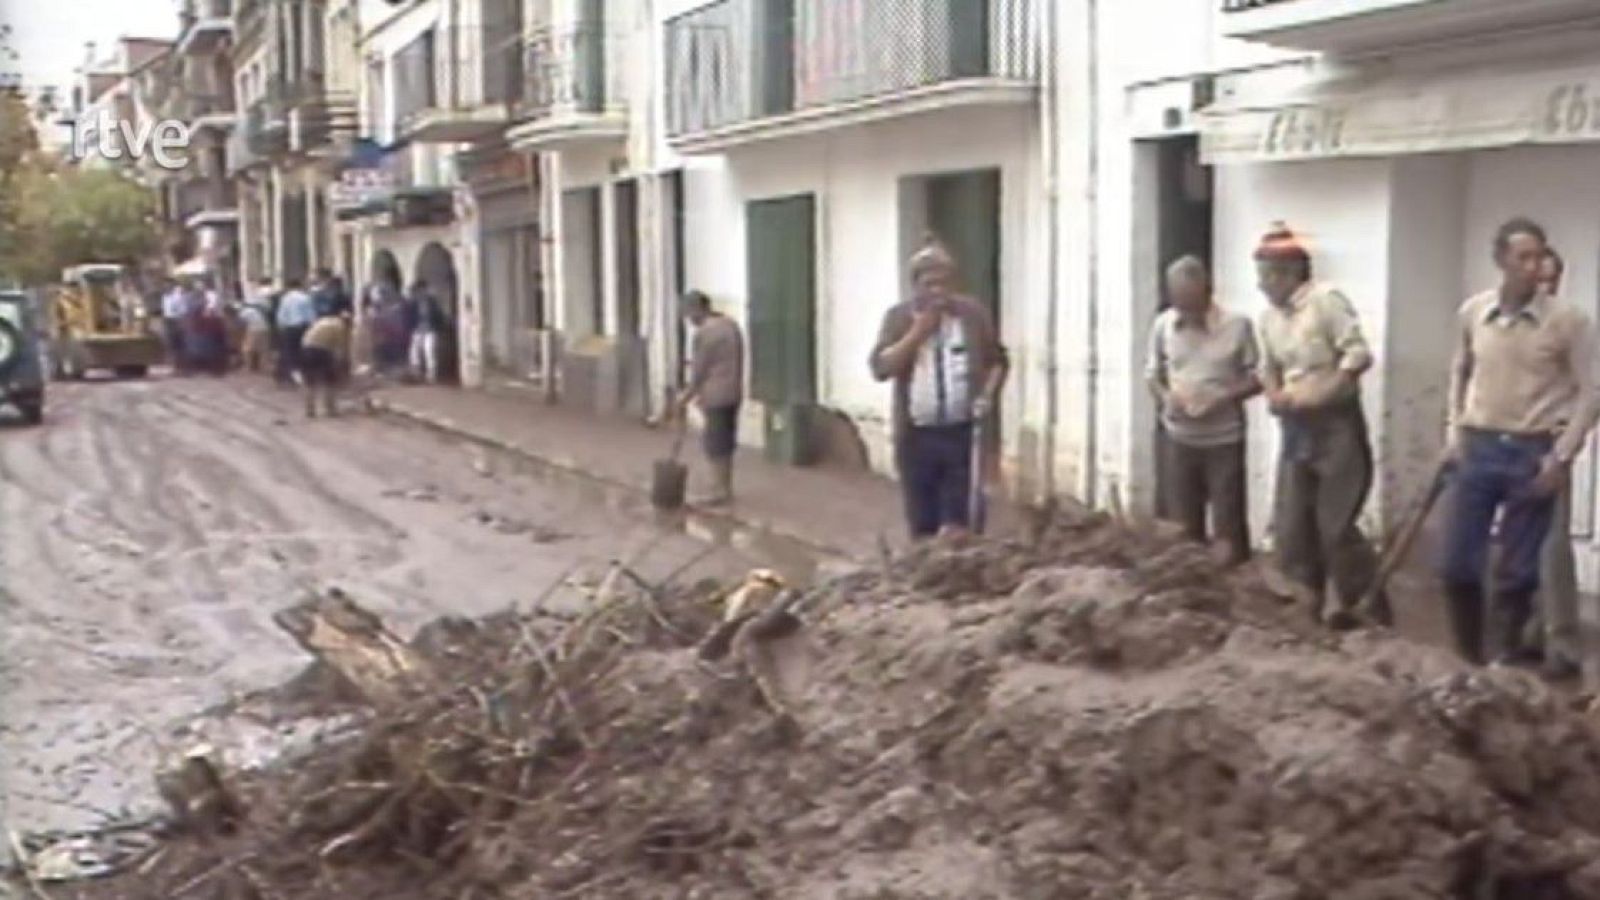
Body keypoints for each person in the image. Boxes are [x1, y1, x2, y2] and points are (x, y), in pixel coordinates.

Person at [1441, 220, 1599, 669]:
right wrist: (1453, 433)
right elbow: (1459, 371)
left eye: (1538, 257)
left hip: (1533, 452)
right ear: (1501, 261)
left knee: (1518, 571)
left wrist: (1562, 456)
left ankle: (1505, 659)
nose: (1533, 267)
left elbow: (1591, 392)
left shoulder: (1569, 322)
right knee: (1456, 564)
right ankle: (1465, 659)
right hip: (1479, 445)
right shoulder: (1474, 312)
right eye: (1523, 258)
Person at [1255, 222, 1388, 629]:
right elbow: (1268, 367)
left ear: (1289, 274)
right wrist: (1275, 394)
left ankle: (1365, 609)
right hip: (1296, 427)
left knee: (1336, 525)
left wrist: (1325, 391)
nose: (1262, 287)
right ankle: (1306, 607)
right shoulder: (1268, 319)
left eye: (1266, 277)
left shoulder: (1326, 303)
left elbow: (1357, 356)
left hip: (1336, 426)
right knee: (1294, 524)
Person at [870, 237, 1009, 539]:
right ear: (915, 286)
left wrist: (987, 394)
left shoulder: (972, 316)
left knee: (962, 523)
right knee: (923, 523)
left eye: (944, 284)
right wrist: (917, 333)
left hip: (963, 434)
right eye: (929, 285)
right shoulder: (898, 318)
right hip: (917, 436)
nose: (938, 292)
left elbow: (997, 361)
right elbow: (881, 368)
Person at [1145, 256, 1262, 565]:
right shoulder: (1163, 325)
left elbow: (1257, 378)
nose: (1186, 311)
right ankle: (1189, 594)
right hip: (1178, 438)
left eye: (1192, 303)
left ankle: (1233, 592)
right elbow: (1152, 375)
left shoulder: (1238, 325)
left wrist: (1222, 397)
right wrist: (1167, 397)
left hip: (1224, 439)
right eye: (1179, 302)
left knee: (1228, 522)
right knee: (1182, 526)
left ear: (1208, 293)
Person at [676, 291, 746, 506]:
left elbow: (699, 370)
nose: (688, 320)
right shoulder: (731, 325)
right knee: (726, 441)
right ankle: (726, 487)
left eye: (688, 314)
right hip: (734, 391)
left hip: (715, 394)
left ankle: (717, 491)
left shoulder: (705, 334)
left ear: (697, 310)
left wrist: (685, 397)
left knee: (714, 443)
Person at [300, 310, 350, 418]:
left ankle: (310, 410)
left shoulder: (324, 320)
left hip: (306, 347)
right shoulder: (341, 327)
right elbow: (340, 350)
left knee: (310, 381)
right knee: (329, 380)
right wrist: (342, 366)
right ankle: (330, 409)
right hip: (321, 350)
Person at [275, 277, 317, 386]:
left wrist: (281, 328)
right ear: (299, 286)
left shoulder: (285, 299)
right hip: (304, 327)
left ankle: (294, 375)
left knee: (290, 352)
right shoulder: (306, 298)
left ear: (289, 287)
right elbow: (311, 315)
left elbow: (281, 315)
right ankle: (306, 373)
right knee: (304, 350)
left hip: (290, 328)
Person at [406, 280, 447, 384]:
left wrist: (440, 327)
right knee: (414, 352)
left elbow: (438, 315)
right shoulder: (413, 302)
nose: (420, 293)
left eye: (421, 290)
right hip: (417, 330)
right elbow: (409, 316)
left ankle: (431, 375)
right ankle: (416, 372)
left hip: (430, 329)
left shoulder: (432, 301)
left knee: (429, 351)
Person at [161, 278, 189, 373]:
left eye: (168, 285)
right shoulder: (165, 297)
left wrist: (181, 320)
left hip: (177, 320)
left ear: (172, 285)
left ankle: (183, 367)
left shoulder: (178, 296)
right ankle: (176, 367)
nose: (166, 286)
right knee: (170, 344)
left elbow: (183, 309)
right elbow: (165, 310)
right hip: (168, 321)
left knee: (179, 344)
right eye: (165, 285)